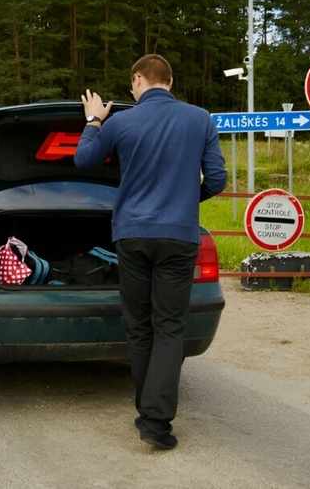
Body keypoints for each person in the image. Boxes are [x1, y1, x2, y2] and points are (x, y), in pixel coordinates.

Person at [74, 54, 226, 450]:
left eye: (132, 85)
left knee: (139, 325)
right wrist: (185, 200)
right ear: (169, 82)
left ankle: (148, 412)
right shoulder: (200, 119)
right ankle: (155, 421)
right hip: (178, 236)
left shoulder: (121, 122)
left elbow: (83, 159)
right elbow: (218, 179)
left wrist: (93, 120)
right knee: (170, 325)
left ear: (138, 80)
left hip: (133, 234)